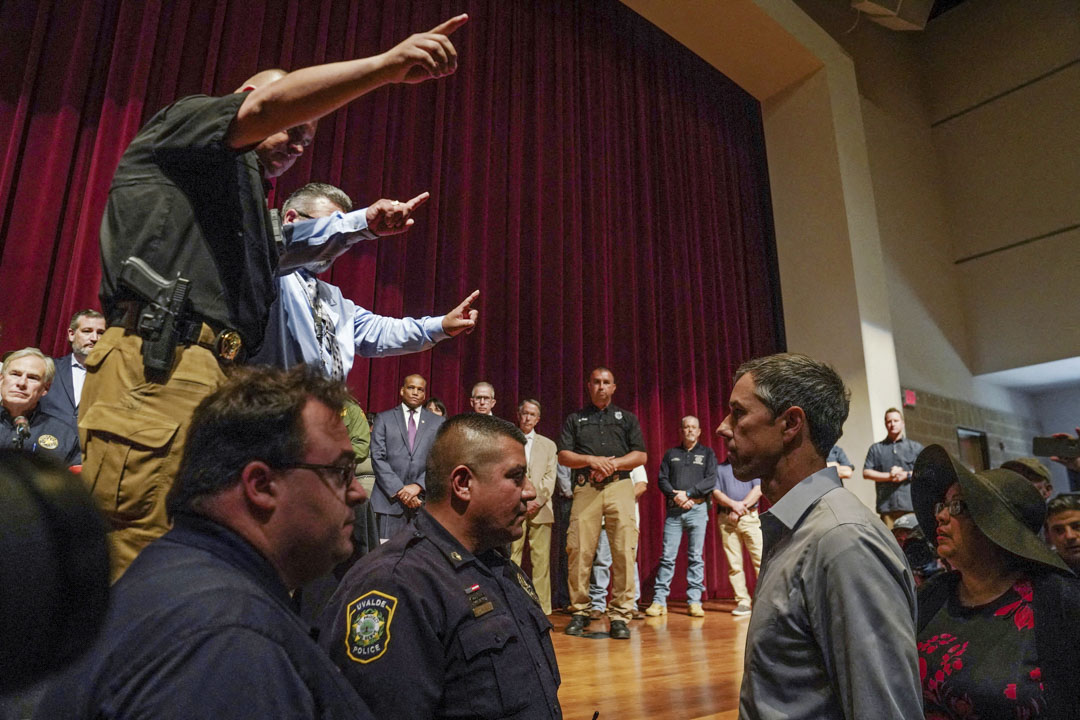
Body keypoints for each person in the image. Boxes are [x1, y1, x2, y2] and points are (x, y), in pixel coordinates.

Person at [79, 15, 470, 581]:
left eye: (308, 138)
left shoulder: (246, 209)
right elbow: (266, 112)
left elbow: (285, 246)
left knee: (212, 555)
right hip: (158, 367)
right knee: (142, 549)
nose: (297, 144)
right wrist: (385, 67)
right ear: (247, 97)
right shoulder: (184, 128)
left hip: (223, 380)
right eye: (293, 126)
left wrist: (363, 224)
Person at [34, 365, 374, 719]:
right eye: (340, 472)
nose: (356, 493)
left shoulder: (177, 573)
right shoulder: (228, 643)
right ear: (260, 485)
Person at [317, 413, 561, 719]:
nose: (530, 491)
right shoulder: (397, 584)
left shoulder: (497, 566)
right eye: (515, 477)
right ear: (462, 484)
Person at [717, 353, 921, 720]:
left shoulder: (844, 542)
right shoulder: (797, 529)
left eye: (738, 413)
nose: (722, 427)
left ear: (791, 423)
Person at [912, 445, 1080, 720]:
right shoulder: (933, 595)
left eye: (958, 506)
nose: (941, 516)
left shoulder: (1058, 602)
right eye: (943, 505)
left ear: (998, 527)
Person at [252, 182, 479, 377]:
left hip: (316, 420)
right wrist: (358, 224)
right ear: (291, 219)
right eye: (327, 228)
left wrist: (440, 326)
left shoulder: (331, 298)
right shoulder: (264, 269)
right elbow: (280, 248)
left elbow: (378, 331)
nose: (337, 244)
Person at [559, 367, 647, 640]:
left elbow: (641, 456)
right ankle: (580, 611)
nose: (601, 387)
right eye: (596, 382)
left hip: (620, 486)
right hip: (586, 489)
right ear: (588, 386)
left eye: (606, 382)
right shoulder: (576, 419)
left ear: (614, 387)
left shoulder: (627, 419)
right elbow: (563, 455)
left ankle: (620, 615)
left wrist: (611, 464)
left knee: (623, 550)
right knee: (579, 550)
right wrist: (591, 461)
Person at [646, 416, 717, 618]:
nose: (690, 430)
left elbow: (711, 480)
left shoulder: (707, 453)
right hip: (674, 512)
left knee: (696, 557)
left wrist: (689, 494)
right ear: (681, 431)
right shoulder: (671, 454)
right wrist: (677, 496)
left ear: (700, 431)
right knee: (667, 557)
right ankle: (659, 601)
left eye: (694, 427)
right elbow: (662, 480)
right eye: (686, 427)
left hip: (698, 509)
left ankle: (694, 601)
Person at [369, 374, 444, 541]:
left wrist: (418, 486)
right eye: (411, 388)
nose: (415, 392)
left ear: (424, 395)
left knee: (419, 559)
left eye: (420, 389)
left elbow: (439, 459)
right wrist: (401, 491)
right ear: (402, 391)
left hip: (422, 502)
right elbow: (377, 457)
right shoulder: (384, 418)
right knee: (387, 558)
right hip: (389, 502)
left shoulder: (437, 422)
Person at [509, 399, 558, 614]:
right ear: (519, 415)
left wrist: (536, 501)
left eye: (532, 415)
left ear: (538, 419)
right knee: (512, 557)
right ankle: (514, 604)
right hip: (513, 507)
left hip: (541, 508)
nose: (528, 418)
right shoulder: (509, 440)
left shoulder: (548, 445)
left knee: (541, 561)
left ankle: (542, 608)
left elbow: (550, 478)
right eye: (525, 413)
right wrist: (519, 500)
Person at [1, 348, 80, 467]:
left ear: (45, 388)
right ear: (1, 379)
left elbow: (74, 482)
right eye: (15, 374)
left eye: (32, 377)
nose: (22, 383)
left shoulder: (63, 434)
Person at [587, 465, 647, 619]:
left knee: (628, 562)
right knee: (601, 562)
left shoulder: (632, 458)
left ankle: (630, 605)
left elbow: (641, 485)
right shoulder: (600, 459)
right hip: (603, 519)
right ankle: (597, 604)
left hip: (627, 519)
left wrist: (620, 501)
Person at [710, 458, 763, 617]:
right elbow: (716, 492)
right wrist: (734, 505)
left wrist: (740, 508)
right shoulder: (719, 469)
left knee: (760, 560)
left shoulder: (751, 464)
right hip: (727, 520)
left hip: (749, 518)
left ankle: (764, 601)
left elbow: (758, 489)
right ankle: (743, 602)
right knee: (735, 564)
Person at [38, 310, 106, 426]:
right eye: (87, 331)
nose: (94, 338)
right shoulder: (48, 368)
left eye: (100, 333)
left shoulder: (115, 376)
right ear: (71, 334)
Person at [863, 407, 924, 526]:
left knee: (912, 542)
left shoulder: (915, 448)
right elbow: (866, 472)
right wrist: (890, 476)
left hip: (910, 507)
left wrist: (906, 475)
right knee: (889, 543)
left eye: (895, 421)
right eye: (889, 421)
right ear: (885, 424)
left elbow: (925, 471)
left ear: (902, 423)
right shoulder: (876, 449)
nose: (892, 424)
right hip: (887, 509)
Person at [1045, 492, 1080, 573]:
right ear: (1048, 536)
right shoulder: (1042, 579)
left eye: (1077, 527)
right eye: (1058, 530)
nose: (1069, 536)